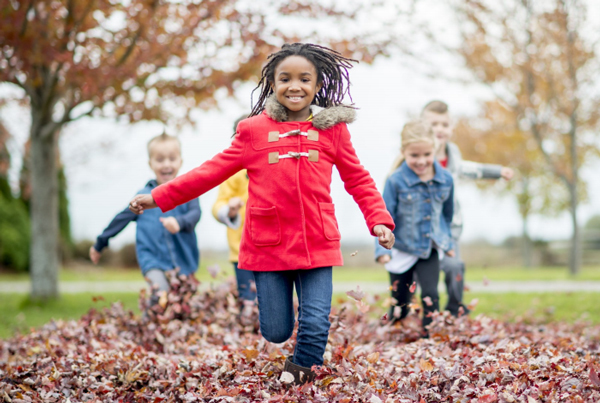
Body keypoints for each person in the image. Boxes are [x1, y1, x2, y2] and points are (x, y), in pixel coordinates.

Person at [128, 43, 395, 384]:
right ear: (272, 83)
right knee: (276, 330)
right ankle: (287, 350)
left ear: (316, 85)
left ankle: (299, 376)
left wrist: (380, 221)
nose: (294, 86)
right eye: (285, 79)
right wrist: (157, 196)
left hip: (317, 242)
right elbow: (209, 173)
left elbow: (358, 179)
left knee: (315, 321)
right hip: (268, 245)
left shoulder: (333, 131)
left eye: (304, 79)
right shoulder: (253, 131)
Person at [422, 100, 514, 316]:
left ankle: (455, 309)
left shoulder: (453, 155)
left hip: (449, 225)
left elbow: (468, 169)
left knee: (454, 267)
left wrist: (497, 171)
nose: (439, 129)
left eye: (444, 124)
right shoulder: (419, 154)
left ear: (451, 128)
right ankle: (423, 314)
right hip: (422, 226)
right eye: (433, 124)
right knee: (425, 276)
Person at [89, 133, 201, 300]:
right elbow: (121, 219)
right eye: (160, 159)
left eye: (172, 158)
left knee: (183, 303)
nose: (166, 164)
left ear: (180, 161)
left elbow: (195, 213)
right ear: (151, 163)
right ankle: (152, 319)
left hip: (184, 261)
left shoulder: (188, 191)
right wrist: (100, 243)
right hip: (152, 260)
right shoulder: (143, 197)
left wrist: (180, 222)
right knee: (160, 293)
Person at [375, 120, 454, 336]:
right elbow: (383, 217)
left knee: (430, 294)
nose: (421, 161)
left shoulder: (445, 179)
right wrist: (382, 250)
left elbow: (447, 215)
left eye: (427, 154)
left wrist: (448, 243)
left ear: (435, 150)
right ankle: (393, 327)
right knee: (401, 300)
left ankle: (429, 337)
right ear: (404, 152)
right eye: (414, 156)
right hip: (401, 248)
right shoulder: (395, 181)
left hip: (429, 248)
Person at [212, 115, 255, 321]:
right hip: (241, 249)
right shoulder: (233, 172)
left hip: (272, 249)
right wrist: (229, 209)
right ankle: (247, 331)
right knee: (247, 298)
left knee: (268, 296)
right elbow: (218, 205)